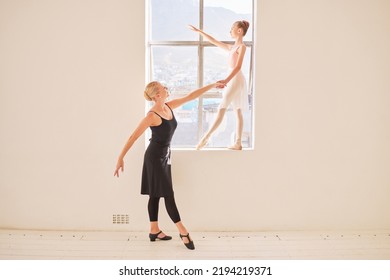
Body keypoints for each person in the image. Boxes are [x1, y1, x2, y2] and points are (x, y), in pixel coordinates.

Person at [114, 81, 223, 250]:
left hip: (165, 157)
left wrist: (212, 85)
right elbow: (133, 137)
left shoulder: (169, 106)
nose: (166, 88)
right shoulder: (152, 116)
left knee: (155, 195)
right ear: (157, 95)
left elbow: (191, 96)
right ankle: (183, 231)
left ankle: (154, 230)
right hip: (154, 159)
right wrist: (120, 158)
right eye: (163, 87)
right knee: (168, 195)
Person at [189, 20, 250, 150]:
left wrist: (226, 81)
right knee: (236, 111)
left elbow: (238, 67)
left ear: (239, 31)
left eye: (232, 28)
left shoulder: (242, 47)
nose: (230, 30)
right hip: (233, 79)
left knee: (223, 108)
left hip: (235, 79)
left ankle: (206, 139)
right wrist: (199, 31)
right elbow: (214, 41)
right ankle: (238, 143)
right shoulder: (232, 47)